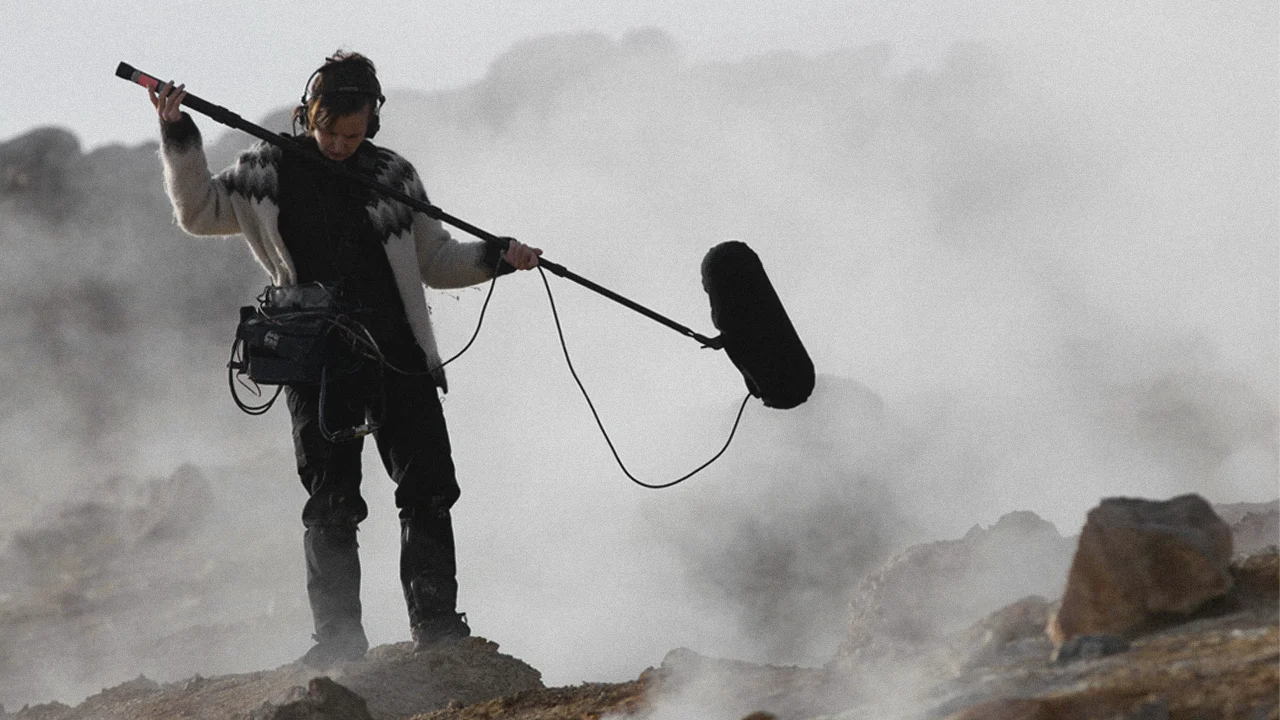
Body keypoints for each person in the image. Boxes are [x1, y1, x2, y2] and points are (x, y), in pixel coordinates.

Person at [149, 51, 541, 669]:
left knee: (428, 489)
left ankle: (437, 627)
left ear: (372, 128)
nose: (338, 144)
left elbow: (435, 262)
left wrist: (498, 257)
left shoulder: (392, 176)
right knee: (330, 499)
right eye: (329, 130)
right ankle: (337, 640)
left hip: (398, 356)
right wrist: (178, 133)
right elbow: (198, 213)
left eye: (353, 134)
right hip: (315, 361)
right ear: (309, 114)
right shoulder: (265, 170)